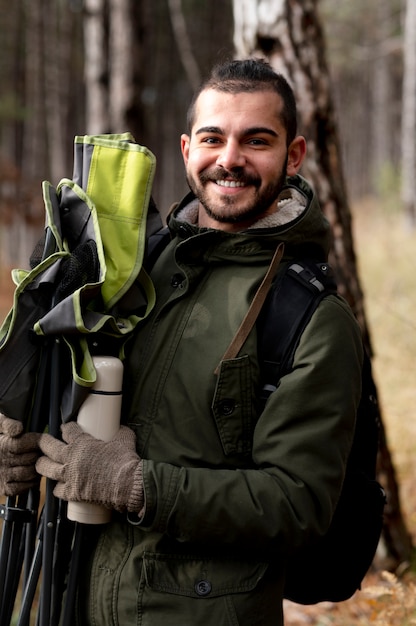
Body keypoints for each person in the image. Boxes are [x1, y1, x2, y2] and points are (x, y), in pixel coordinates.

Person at [0, 58, 363, 625]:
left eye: (257, 140)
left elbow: (299, 503)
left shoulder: (310, 317)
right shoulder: (128, 269)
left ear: (293, 156)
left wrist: (136, 485)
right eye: (214, 138)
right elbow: (73, 389)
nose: (231, 160)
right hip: (68, 597)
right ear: (187, 148)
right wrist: (20, 441)